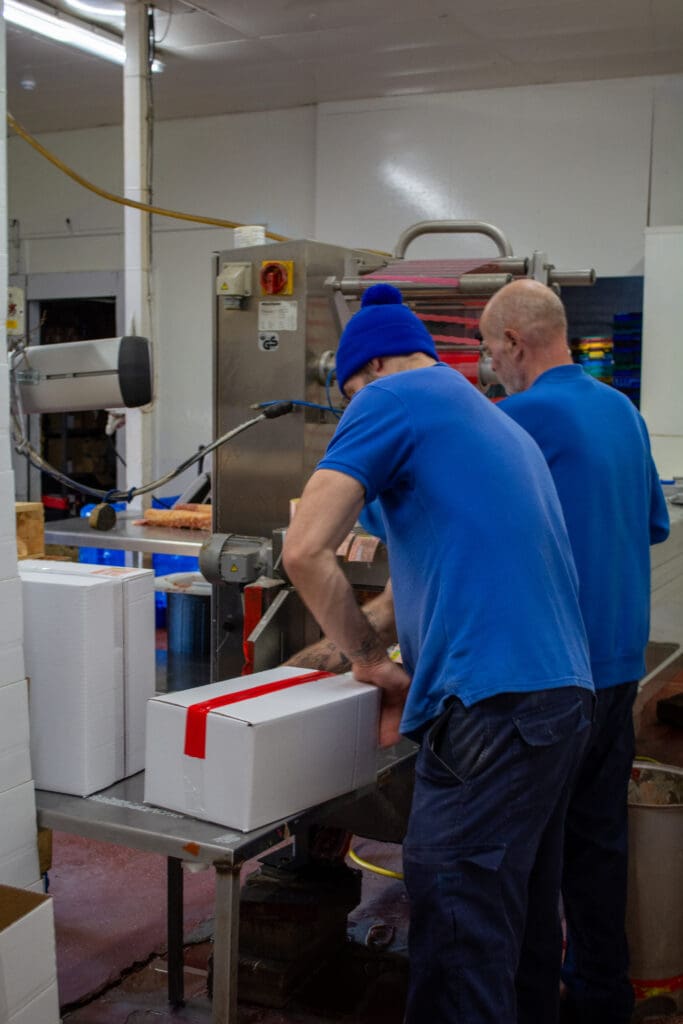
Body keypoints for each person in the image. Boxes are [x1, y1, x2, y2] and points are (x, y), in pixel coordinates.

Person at [283, 282, 594, 1024]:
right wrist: (338, 649)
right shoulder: (483, 418)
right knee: (510, 924)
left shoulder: (390, 399)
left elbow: (303, 551)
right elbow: (403, 596)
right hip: (558, 703)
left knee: (455, 931)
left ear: (370, 371)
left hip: (494, 706)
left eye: (350, 391)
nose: (353, 406)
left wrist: (368, 664)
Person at [478, 279, 670, 1024]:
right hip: (621, 667)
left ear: (515, 344)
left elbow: (448, 517)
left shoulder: (519, 417)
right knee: (597, 850)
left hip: (553, 679)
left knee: (528, 861)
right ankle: (600, 999)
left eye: (491, 349)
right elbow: (651, 524)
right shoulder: (621, 411)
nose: (491, 364)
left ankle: (529, 1009)